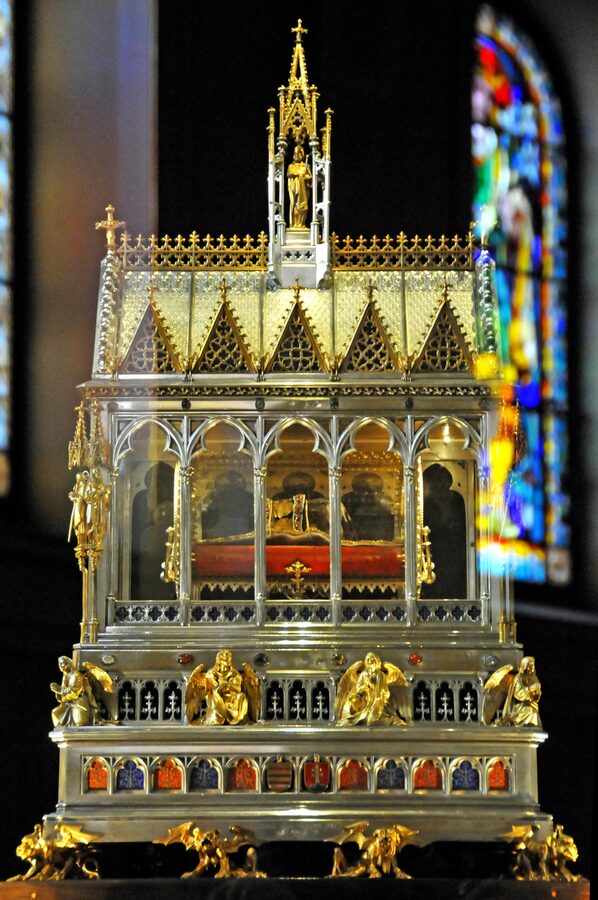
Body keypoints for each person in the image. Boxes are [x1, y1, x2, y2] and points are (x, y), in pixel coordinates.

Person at [287, 144, 312, 228]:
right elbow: (290, 173)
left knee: (304, 207)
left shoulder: (306, 166)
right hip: (295, 189)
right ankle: (294, 224)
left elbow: (310, 177)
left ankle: (302, 223)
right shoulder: (291, 166)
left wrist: (307, 177)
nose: (298, 155)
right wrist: (300, 173)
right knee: (295, 205)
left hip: (304, 190)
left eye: (300, 153)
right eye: (296, 153)